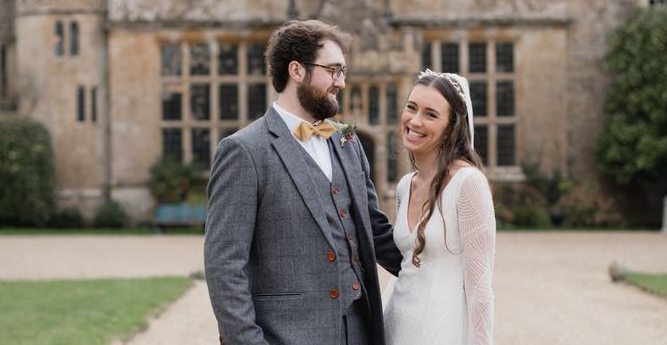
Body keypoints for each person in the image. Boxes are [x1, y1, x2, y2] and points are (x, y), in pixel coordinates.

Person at [204, 19, 402, 345]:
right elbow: (224, 266)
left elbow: (376, 232)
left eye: (342, 72)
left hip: (361, 332)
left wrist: (437, 268)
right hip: (287, 336)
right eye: (333, 70)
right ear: (296, 71)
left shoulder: (347, 140)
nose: (340, 82)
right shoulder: (244, 151)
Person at [383, 70, 495, 345]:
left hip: (442, 331)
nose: (415, 120)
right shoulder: (404, 185)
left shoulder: (468, 183)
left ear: (452, 126)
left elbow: (480, 287)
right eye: (411, 108)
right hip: (395, 328)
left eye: (431, 114)